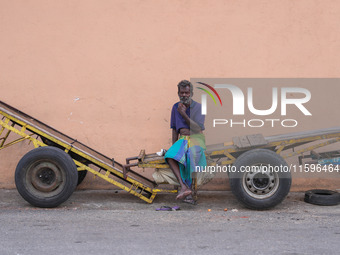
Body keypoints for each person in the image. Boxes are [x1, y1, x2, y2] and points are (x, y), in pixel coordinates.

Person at [164, 80, 207, 201]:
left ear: (191, 93)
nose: (184, 95)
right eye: (182, 92)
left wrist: (183, 113)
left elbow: (197, 128)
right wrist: (174, 146)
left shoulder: (199, 107)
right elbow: (174, 129)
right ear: (178, 93)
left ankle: (191, 191)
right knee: (170, 156)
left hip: (196, 139)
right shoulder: (175, 107)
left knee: (190, 156)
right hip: (182, 140)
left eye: (186, 93)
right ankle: (183, 187)